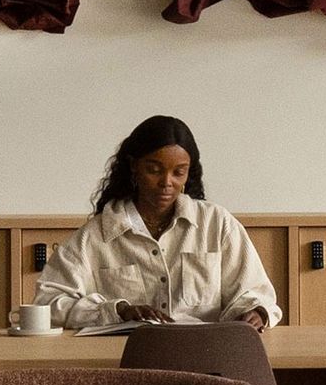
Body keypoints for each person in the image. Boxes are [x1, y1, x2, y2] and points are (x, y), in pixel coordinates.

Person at [34, 115, 281, 330]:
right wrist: (116, 311)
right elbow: (48, 302)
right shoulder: (95, 236)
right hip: (128, 365)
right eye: (154, 170)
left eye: (178, 172)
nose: (166, 182)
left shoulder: (217, 224)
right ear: (134, 167)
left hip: (206, 360)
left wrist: (256, 312)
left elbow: (256, 293)